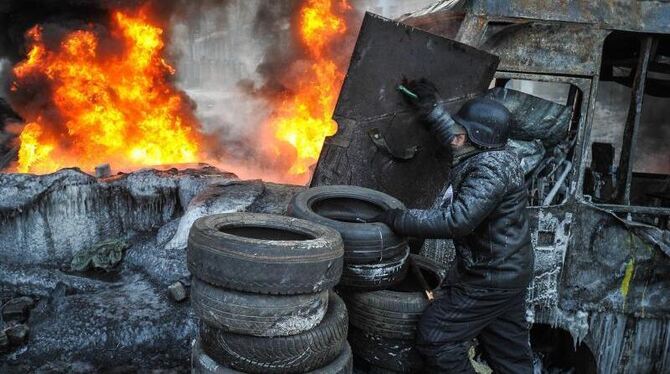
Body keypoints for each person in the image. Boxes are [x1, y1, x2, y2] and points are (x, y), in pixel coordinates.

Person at [372, 79, 535, 373]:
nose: (455, 135)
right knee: (510, 356)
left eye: (462, 130)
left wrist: (398, 219)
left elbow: (457, 220)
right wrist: (431, 110)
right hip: (508, 272)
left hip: (489, 277)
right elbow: (453, 136)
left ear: (477, 137)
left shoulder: (491, 170)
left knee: (436, 337)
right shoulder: (489, 151)